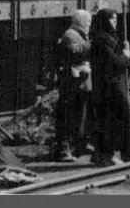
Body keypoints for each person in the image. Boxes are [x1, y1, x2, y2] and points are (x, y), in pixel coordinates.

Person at [90, 8, 130, 166]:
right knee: (110, 120)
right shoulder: (101, 39)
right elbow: (113, 61)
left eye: (116, 18)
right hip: (108, 86)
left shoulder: (111, 37)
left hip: (113, 84)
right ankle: (107, 155)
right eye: (111, 19)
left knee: (113, 119)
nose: (115, 22)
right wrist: (126, 55)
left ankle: (110, 154)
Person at [53, 9, 93, 162]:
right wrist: (92, 46)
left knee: (80, 115)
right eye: (88, 21)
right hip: (71, 83)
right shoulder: (71, 35)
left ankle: (80, 144)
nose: (89, 24)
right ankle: (64, 149)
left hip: (80, 83)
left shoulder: (81, 35)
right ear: (81, 21)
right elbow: (75, 51)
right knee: (68, 115)